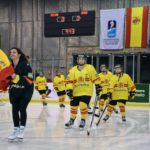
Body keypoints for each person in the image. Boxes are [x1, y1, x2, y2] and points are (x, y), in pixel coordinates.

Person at [65, 54, 102, 129]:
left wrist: (98, 86)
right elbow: (69, 81)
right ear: (77, 60)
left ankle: (83, 120)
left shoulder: (90, 68)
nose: (81, 60)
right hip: (76, 92)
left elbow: (96, 78)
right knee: (73, 106)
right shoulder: (73, 70)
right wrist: (69, 89)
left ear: (85, 60)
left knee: (83, 105)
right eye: (80, 59)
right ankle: (72, 119)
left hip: (86, 91)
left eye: (83, 59)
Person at [8, 47, 34, 141]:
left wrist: (16, 77)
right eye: (10, 52)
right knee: (14, 110)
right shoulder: (10, 67)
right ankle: (16, 129)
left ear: (19, 54)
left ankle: (22, 129)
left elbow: (30, 79)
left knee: (22, 108)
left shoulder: (26, 65)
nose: (11, 54)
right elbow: (8, 79)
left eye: (14, 52)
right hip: (15, 91)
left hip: (26, 91)